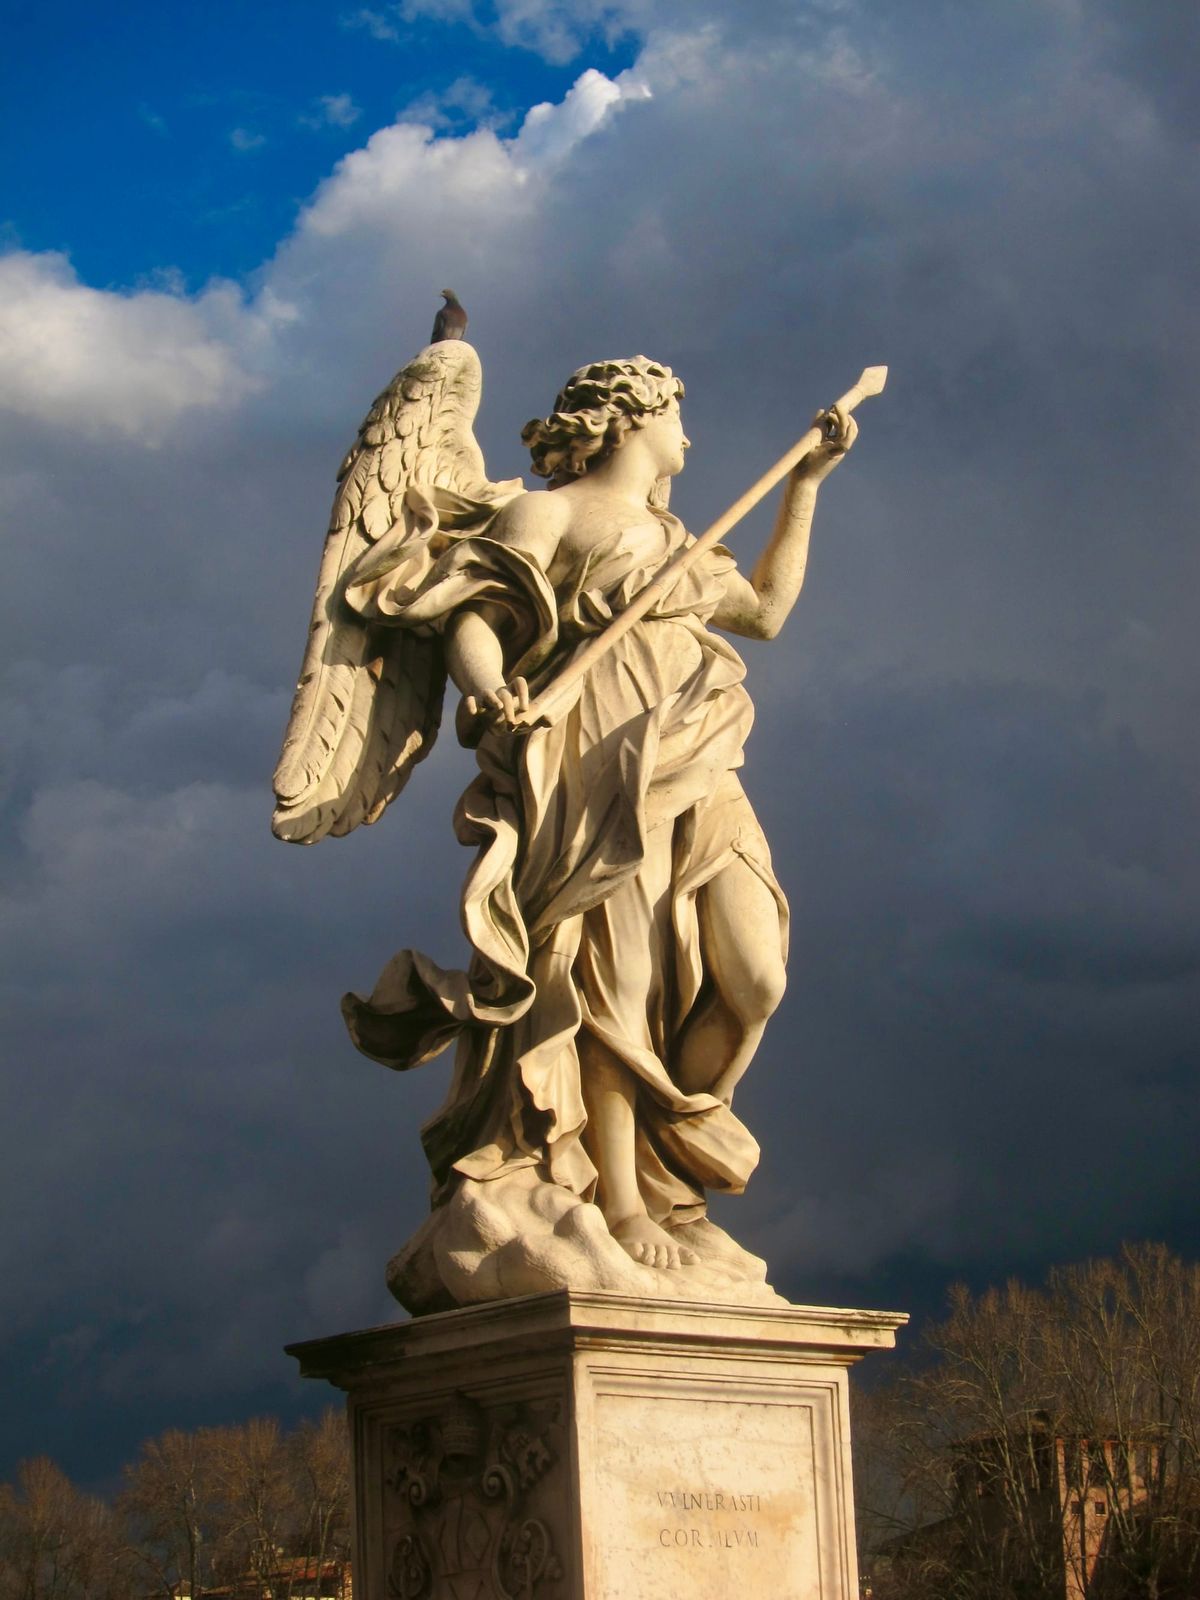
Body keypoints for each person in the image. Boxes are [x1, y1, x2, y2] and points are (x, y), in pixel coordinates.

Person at [342, 356, 856, 1270]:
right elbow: (473, 616)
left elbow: (768, 613)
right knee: (617, 984)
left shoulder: (682, 538)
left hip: (698, 755)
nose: (688, 435)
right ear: (629, 419)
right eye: (676, 415)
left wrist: (806, 486)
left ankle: (669, 1162)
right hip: (595, 755)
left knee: (755, 978)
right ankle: (622, 1201)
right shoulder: (549, 514)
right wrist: (493, 692)